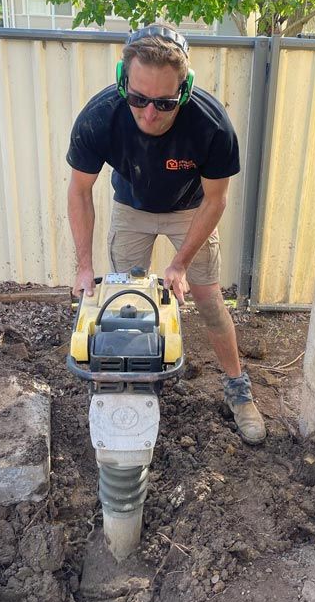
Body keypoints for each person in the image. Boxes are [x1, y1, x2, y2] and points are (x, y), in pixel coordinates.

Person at [66, 24, 265, 445]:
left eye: (164, 102)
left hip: (190, 210)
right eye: (138, 99)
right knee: (128, 305)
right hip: (132, 208)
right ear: (123, 81)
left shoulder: (211, 125)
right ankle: (127, 389)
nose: (149, 114)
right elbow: (80, 190)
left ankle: (237, 387)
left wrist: (180, 265)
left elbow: (216, 201)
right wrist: (84, 267)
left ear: (185, 89)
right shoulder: (101, 116)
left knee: (210, 302)